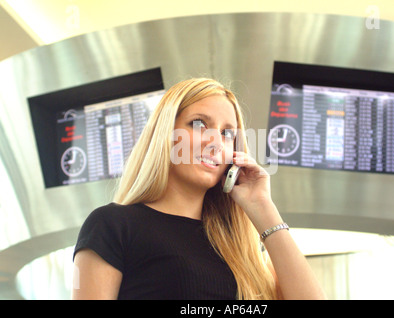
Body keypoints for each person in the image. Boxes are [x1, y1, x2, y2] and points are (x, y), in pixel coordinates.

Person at [72, 78, 325, 300]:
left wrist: (263, 207)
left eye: (227, 133)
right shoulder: (112, 226)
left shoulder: (243, 251)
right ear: (166, 134)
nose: (216, 142)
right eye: (199, 124)